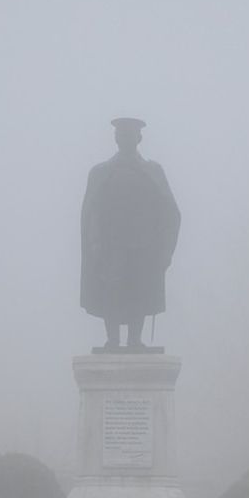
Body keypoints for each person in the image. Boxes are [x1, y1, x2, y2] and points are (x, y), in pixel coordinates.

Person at [80, 117, 181, 350]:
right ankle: (112, 340)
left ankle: (135, 339)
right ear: (115, 138)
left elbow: (169, 211)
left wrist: (166, 249)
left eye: (130, 133)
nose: (125, 137)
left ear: (139, 138)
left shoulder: (152, 171)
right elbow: (92, 211)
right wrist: (95, 241)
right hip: (111, 245)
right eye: (121, 134)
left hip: (144, 246)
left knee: (140, 290)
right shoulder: (101, 172)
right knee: (112, 291)